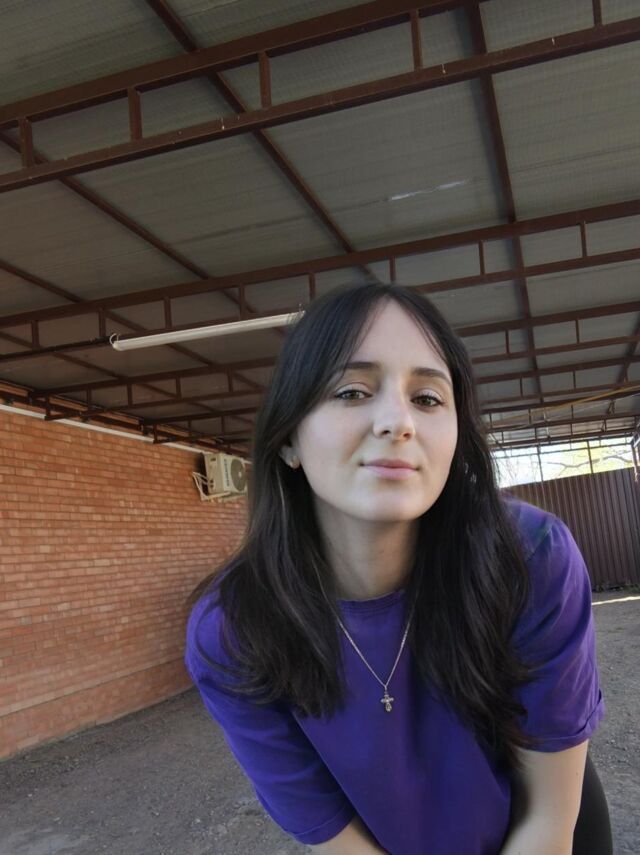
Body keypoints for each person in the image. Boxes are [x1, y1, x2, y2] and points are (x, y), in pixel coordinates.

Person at [184, 282, 612, 854]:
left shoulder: (531, 558)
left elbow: (549, 819)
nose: (397, 421)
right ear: (288, 439)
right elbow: (331, 835)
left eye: (428, 398)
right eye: (352, 391)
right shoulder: (232, 632)